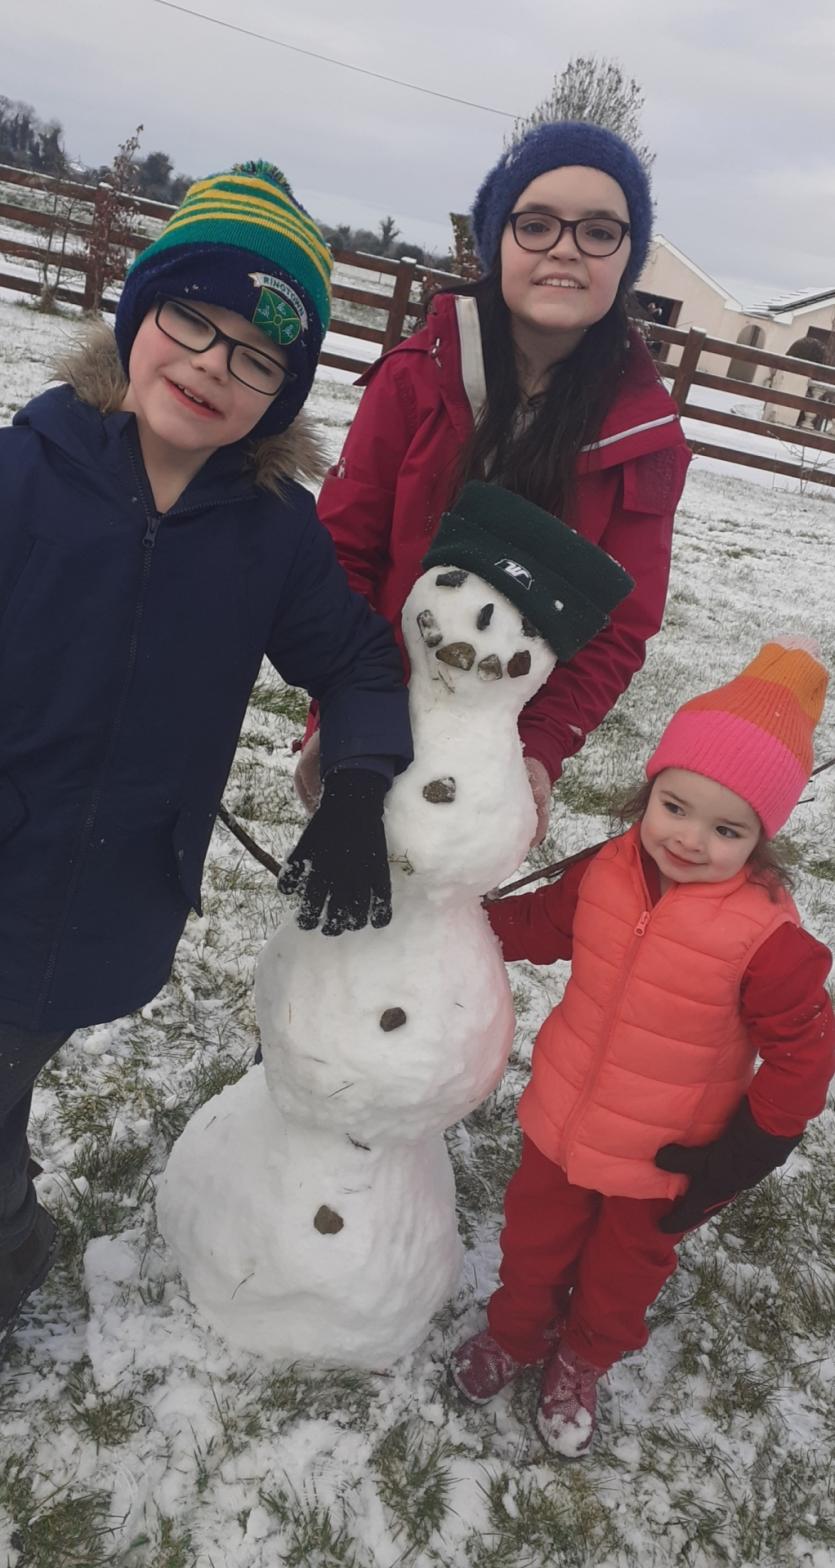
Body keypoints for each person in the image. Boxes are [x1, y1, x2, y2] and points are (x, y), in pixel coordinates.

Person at [0, 161, 412, 1344]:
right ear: (139, 316)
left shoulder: (272, 535)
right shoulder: (23, 476)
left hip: (115, 894)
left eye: (255, 355)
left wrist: (358, 779)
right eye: (192, 319)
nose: (209, 365)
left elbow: (361, 662)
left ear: (280, 392)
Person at [449, 639, 835, 1457]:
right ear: (647, 791)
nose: (689, 839)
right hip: (561, 1121)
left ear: (760, 838)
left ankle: (581, 1359)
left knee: (622, 1274)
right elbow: (540, 927)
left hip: (668, 1155)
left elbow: (804, 1053)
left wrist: (743, 1152)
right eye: (673, 807)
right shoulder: (605, 873)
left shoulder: (768, 940)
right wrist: (449, 919)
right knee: (533, 1241)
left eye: (725, 828)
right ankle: (515, 1335)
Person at [297, 121, 691, 842]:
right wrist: (348, 708)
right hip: (371, 706)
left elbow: (617, 624)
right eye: (536, 224)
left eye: (599, 231)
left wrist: (532, 752)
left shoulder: (645, 438)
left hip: (493, 749)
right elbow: (342, 554)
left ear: (627, 257)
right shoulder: (417, 377)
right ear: (497, 241)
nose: (566, 247)